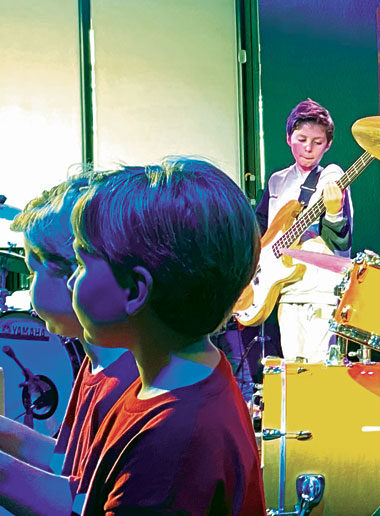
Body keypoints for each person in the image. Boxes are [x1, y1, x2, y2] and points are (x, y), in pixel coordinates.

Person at [68, 158, 266, 514]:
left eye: (82, 263)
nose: (71, 280)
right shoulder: (181, 374)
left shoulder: (170, 445)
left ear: (134, 291)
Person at [0, 175, 139, 516]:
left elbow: (77, 506)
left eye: (34, 272)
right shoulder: (98, 363)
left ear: (74, 274)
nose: (31, 286)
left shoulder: (128, 378)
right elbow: (68, 465)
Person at [255, 98, 353, 363]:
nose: (308, 148)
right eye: (301, 139)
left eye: (317, 142)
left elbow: (340, 245)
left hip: (321, 293)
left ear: (328, 144)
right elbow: (261, 232)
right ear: (288, 138)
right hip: (286, 290)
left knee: (318, 373)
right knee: (292, 372)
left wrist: (333, 211)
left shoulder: (331, 177)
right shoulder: (277, 181)